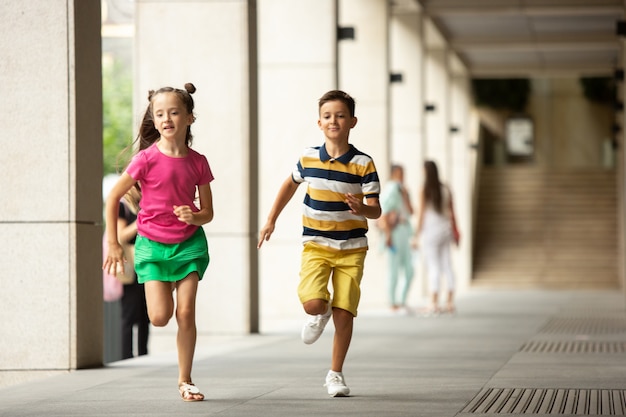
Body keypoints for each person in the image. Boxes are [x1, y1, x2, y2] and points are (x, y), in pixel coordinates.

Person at [257, 90, 381, 397]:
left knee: (345, 312)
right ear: (319, 122)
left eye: (340, 115)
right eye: (327, 116)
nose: (333, 121)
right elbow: (289, 184)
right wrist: (271, 219)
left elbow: (376, 209)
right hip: (316, 245)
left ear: (352, 121)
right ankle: (319, 312)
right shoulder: (309, 158)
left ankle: (335, 374)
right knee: (313, 302)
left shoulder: (363, 163)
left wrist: (361, 209)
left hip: (352, 248)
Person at [102, 83, 214, 402]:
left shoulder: (198, 162)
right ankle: (169, 285)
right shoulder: (145, 160)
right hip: (152, 248)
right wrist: (112, 243)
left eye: (174, 112)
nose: (166, 119)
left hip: (189, 246)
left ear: (189, 118)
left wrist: (194, 217)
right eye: (159, 113)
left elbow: (208, 212)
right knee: (160, 317)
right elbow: (112, 197)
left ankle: (185, 380)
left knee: (186, 312)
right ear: (154, 118)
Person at [415, 160, 459, 315]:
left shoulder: (424, 189)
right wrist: (456, 231)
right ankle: (450, 302)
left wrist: (416, 235)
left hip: (431, 231)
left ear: (426, 172)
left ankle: (433, 303)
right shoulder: (445, 188)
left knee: (433, 266)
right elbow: (452, 212)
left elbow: (420, 214)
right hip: (445, 230)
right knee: (447, 265)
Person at [117, 188, 150, 359]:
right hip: (130, 266)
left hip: (147, 261)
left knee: (146, 313)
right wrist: (142, 219)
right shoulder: (122, 206)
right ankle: (126, 356)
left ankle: (144, 354)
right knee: (129, 314)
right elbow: (121, 235)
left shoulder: (144, 205)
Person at [379, 164, 414, 314]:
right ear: (394, 174)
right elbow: (384, 213)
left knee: (409, 270)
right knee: (393, 269)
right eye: (400, 173)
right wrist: (387, 236)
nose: (402, 176)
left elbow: (411, 211)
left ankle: (401, 301)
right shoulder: (391, 188)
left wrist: (406, 195)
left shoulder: (402, 190)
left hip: (405, 231)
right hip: (394, 232)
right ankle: (393, 303)